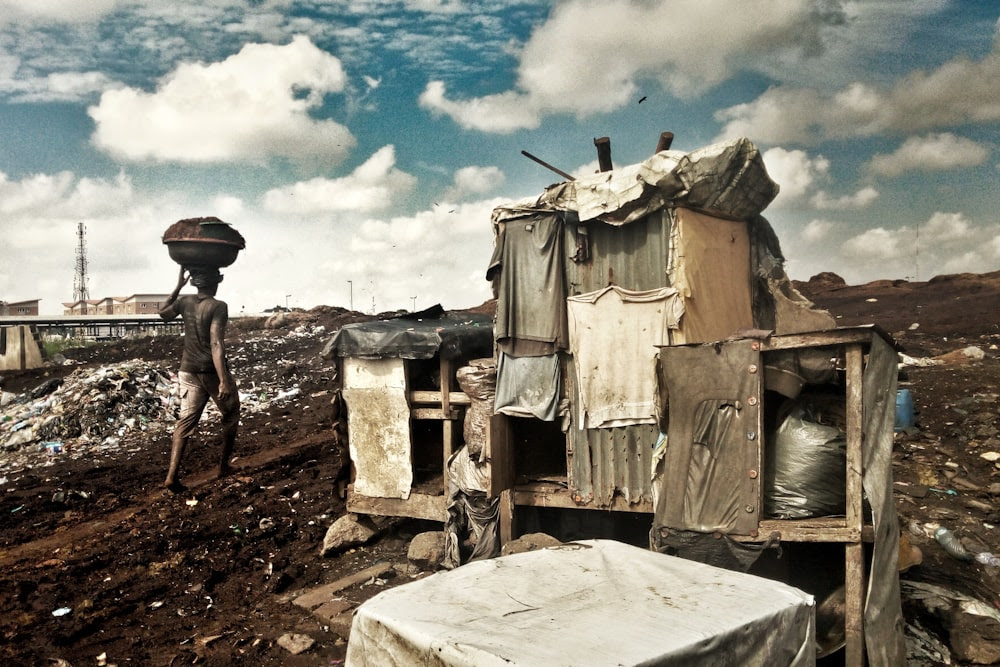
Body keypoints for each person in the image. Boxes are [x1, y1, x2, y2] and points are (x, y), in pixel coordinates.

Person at [159, 265, 240, 492]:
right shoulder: (218, 306)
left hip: (187, 371)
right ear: (216, 283)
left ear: (194, 283)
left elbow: (163, 312)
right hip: (210, 372)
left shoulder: (184, 301)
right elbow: (216, 343)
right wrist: (223, 379)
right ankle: (223, 466)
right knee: (231, 413)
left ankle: (172, 476)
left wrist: (177, 286)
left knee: (185, 421)